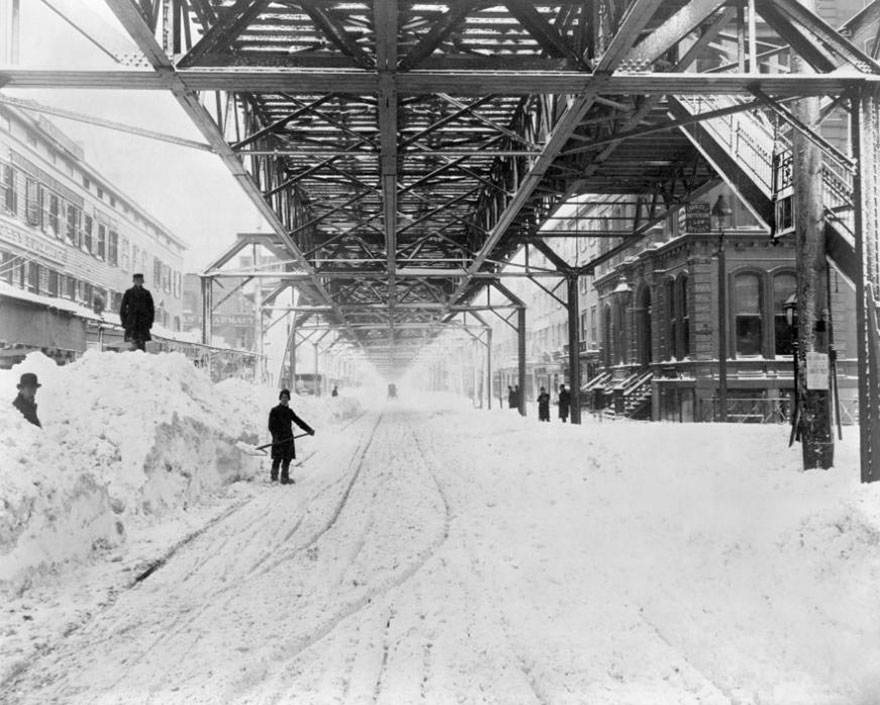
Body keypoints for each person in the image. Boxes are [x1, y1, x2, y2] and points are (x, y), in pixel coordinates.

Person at [268, 389, 315, 485]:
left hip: (288, 438)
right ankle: (274, 477)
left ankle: (284, 478)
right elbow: (271, 426)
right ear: (280, 398)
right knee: (277, 459)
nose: (284, 399)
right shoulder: (274, 411)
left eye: (286, 397)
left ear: (289, 399)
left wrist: (308, 429)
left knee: (287, 459)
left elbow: (299, 422)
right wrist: (275, 437)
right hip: (278, 439)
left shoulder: (289, 412)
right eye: (283, 397)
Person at [120, 273, 155, 351]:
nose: (138, 282)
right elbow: (123, 308)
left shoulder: (146, 294)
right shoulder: (128, 293)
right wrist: (124, 321)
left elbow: (151, 310)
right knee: (131, 344)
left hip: (142, 324)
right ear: (133, 281)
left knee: (141, 345)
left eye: (140, 280)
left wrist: (149, 322)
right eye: (136, 280)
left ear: (142, 281)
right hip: (131, 323)